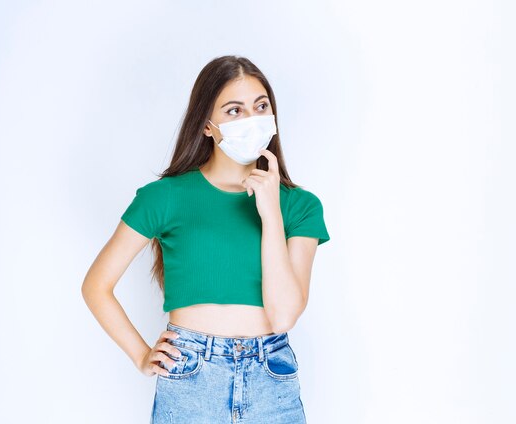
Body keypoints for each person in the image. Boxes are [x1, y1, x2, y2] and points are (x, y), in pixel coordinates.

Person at [81, 55, 330, 423]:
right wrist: (140, 354)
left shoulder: (300, 206)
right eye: (234, 111)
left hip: (272, 376)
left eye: (260, 107)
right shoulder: (164, 197)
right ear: (208, 126)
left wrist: (271, 213)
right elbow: (96, 285)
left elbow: (284, 315)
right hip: (191, 374)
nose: (251, 119)